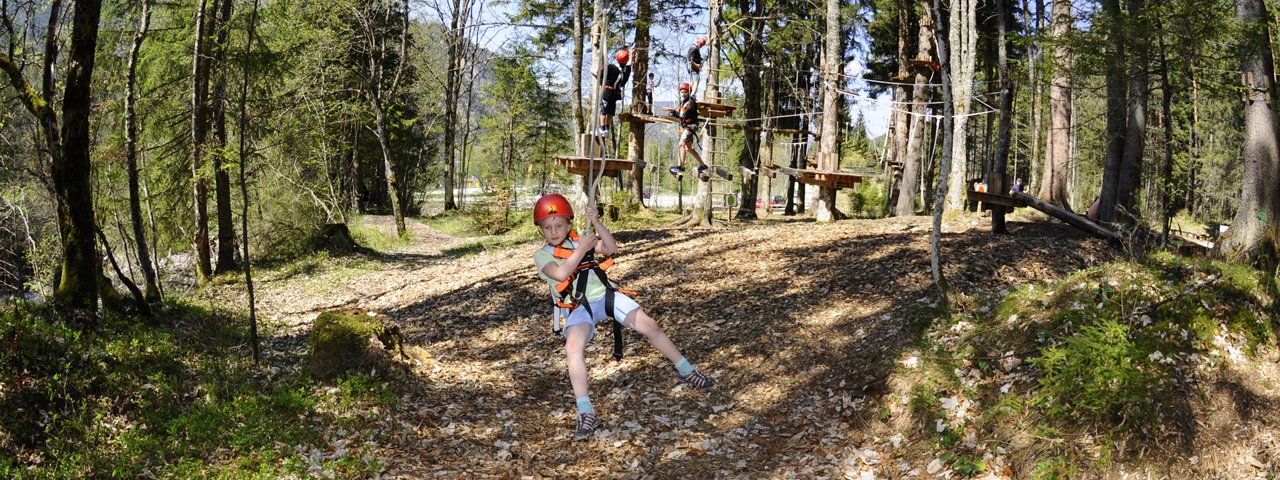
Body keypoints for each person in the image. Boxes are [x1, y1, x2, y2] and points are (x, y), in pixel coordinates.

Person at [533, 194, 715, 441]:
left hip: (606, 295)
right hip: (578, 305)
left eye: (559, 225)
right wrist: (583, 249)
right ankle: (586, 411)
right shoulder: (543, 255)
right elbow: (561, 272)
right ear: (541, 230)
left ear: (569, 224)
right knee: (572, 348)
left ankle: (685, 368)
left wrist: (596, 223)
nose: (554, 231)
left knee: (650, 325)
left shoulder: (580, 239)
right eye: (547, 227)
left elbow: (610, 248)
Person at [665, 82, 707, 178]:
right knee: (688, 148)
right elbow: (681, 115)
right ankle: (702, 165)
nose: (683, 94)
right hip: (688, 126)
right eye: (682, 92)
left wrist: (673, 111)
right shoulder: (684, 102)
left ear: (688, 92)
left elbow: (682, 114)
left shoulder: (690, 102)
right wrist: (674, 112)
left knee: (681, 144)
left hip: (690, 126)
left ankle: (681, 166)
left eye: (685, 92)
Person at [599, 49, 632, 135]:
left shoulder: (610, 67)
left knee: (602, 111)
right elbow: (629, 66)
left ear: (617, 58)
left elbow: (600, 75)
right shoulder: (625, 72)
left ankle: (602, 129)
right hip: (615, 93)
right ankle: (607, 129)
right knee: (610, 112)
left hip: (607, 92)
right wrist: (631, 55)